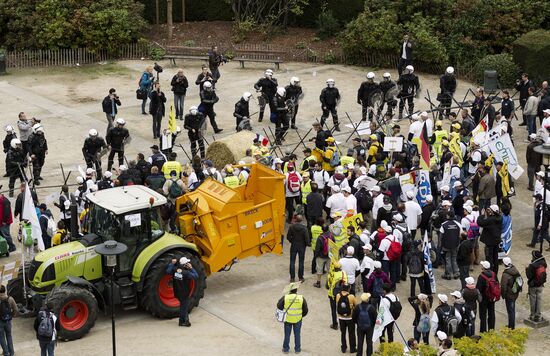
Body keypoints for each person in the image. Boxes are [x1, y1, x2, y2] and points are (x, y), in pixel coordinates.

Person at [277, 282, 308, 354]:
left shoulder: (286, 297)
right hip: (298, 319)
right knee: (297, 334)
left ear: (289, 290)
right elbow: (306, 310)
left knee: (287, 334)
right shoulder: (301, 298)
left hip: (288, 319)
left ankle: (286, 349)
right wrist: (300, 315)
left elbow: (279, 306)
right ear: (296, 290)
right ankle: (297, 349)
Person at [477, 205, 502, 275]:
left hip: (490, 242)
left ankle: (490, 274)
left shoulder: (491, 220)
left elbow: (480, 223)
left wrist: (482, 215)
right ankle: (495, 273)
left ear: (492, 211)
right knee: (495, 257)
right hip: (496, 241)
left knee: (489, 258)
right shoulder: (499, 217)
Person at [287, 215, 310, 283]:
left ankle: (292, 278)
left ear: (296, 220)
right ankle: (300, 277)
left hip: (294, 245)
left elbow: (288, 237)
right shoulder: (304, 228)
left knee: (292, 261)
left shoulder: (292, 227)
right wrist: (307, 244)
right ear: (301, 220)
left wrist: (292, 241)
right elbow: (307, 238)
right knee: (301, 262)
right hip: (302, 246)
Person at [526, 250, 547, 323]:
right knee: (539, 300)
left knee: (533, 301)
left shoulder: (532, 265)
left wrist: (527, 269)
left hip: (533, 286)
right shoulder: (544, 263)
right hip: (540, 285)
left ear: (534, 257)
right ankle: (538, 315)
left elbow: (529, 276)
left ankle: (532, 315)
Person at [439, 213, 462, 280]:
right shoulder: (458, 224)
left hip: (446, 245)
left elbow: (441, 236)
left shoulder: (444, 224)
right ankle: (456, 273)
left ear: (448, 216)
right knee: (454, 259)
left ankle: (448, 274)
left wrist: (440, 245)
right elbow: (461, 235)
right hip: (455, 245)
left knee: (448, 259)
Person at [476, 260, 497, 332]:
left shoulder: (481, 276)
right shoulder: (494, 274)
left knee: (483, 316)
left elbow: (478, 289)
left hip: (484, 299)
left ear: (483, 268)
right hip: (492, 298)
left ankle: (483, 331)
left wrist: (479, 299)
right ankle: (491, 330)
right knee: (491, 314)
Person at [500, 257, 521, 329]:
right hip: (515, 293)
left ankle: (511, 326)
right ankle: (511, 325)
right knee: (512, 310)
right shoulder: (515, 269)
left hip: (509, 295)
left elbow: (503, 286)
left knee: (510, 311)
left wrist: (503, 295)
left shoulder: (505, 274)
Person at [336, 284, 357, 353]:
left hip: (341, 317)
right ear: (349, 289)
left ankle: (343, 348)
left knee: (343, 333)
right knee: (351, 333)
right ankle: (352, 348)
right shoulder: (351, 296)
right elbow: (356, 306)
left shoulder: (338, 295)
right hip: (350, 317)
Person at [327, 261, 347, 329]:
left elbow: (328, 285)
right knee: (342, 308)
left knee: (333, 309)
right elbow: (346, 282)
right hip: (341, 294)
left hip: (332, 294)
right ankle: (343, 324)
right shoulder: (343, 273)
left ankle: (335, 324)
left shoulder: (331, 274)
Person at [0, 285, 18, 356]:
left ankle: (6, 353)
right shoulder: (10, 299)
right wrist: (12, 316)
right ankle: (12, 352)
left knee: (1, 337)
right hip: (8, 320)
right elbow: (16, 309)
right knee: (9, 336)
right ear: (5, 290)